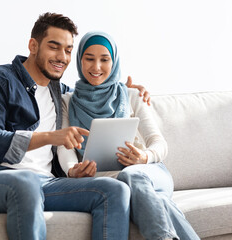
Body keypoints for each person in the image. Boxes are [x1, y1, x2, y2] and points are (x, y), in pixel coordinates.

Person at [0, 13, 150, 240]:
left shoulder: (59, 92)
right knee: (26, 182)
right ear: (33, 45)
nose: (62, 57)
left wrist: (125, 90)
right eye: (54, 47)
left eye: (69, 50)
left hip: (47, 183)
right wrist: (51, 137)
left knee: (114, 190)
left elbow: (95, 90)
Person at [58, 31, 200, 240]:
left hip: (149, 173)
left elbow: (159, 143)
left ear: (114, 62)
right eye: (89, 59)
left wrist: (144, 157)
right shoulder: (68, 101)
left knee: (131, 175)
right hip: (105, 182)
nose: (96, 67)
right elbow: (64, 146)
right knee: (161, 203)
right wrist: (72, 171)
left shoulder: (132, 95)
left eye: (104, 60)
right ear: (80, 61)